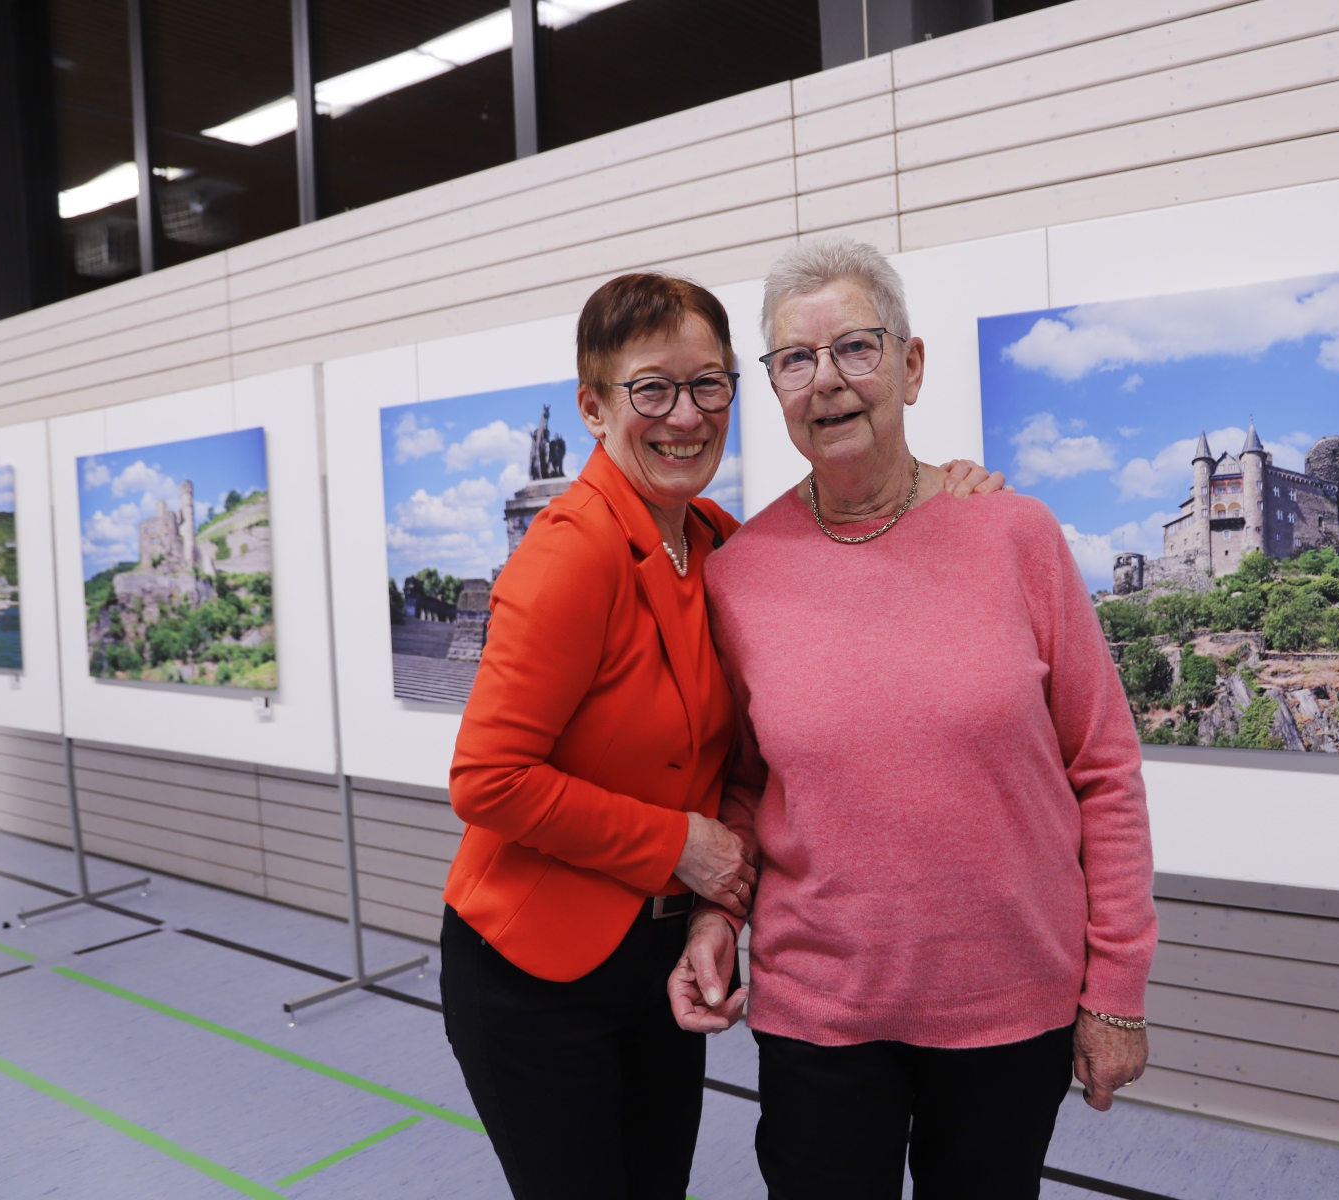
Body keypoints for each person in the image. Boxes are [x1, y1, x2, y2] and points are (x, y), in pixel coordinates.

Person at [439, 270, 1005, 1200]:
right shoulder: (570, 552)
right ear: (593, 407)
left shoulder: (711, 540)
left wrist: (947, 491)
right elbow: (487, 780)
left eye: (709, 384)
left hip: (658, 954)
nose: (686, 415)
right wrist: (680, 846)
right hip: (535, 968)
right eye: (652, 389)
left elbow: (840, 545)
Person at [668, 237, 1158, 1200]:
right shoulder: (740, 576)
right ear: (776, 389)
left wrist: (1117, 993)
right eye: (795, 359)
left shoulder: (1015, 535)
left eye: (856, 347)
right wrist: (716, 913)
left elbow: (1104, 770)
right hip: (819, 1009)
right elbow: (749, 783)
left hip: (1010, 1005)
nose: (827, 381)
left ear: (911, 365)